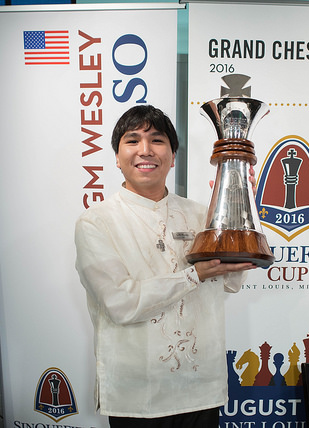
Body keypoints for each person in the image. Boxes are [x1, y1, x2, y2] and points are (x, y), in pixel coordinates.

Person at [74, 105, 256, 427]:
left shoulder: (202, 216)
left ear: (173, 157)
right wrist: (194, 274)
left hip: (202, 387)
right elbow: (122, 304)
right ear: (117, 157)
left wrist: (238, 202)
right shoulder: (96, 222)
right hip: (137, 394)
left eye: (157, 141)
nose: (145, 150)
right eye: (132, 141)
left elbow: (231, 281)